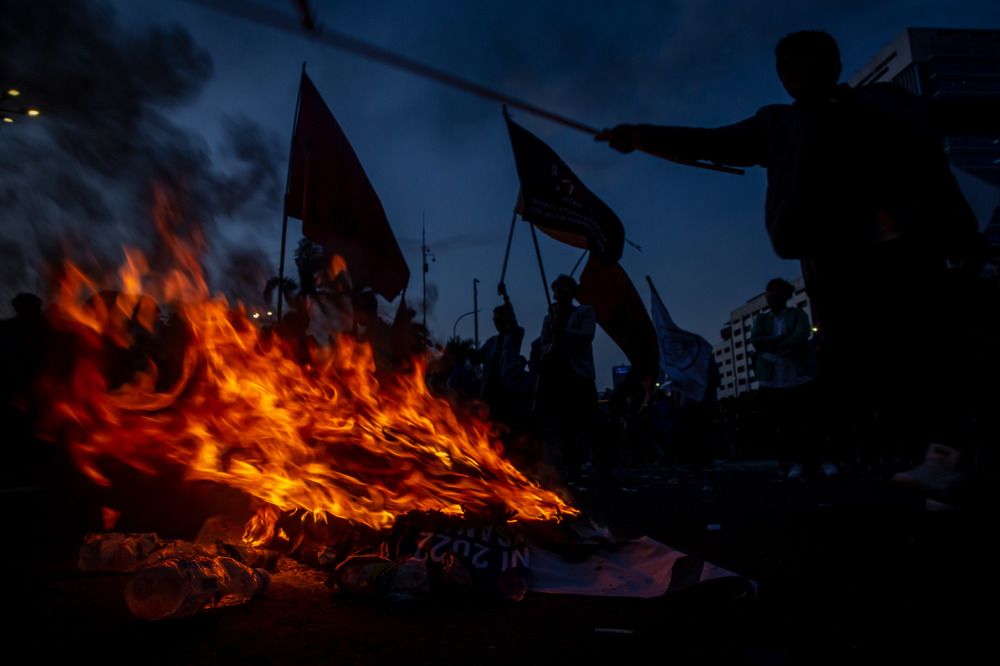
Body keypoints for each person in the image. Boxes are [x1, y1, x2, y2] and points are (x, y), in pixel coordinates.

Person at [597, 30, 978, 503]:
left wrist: (962, 241)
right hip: (843, 263)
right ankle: (938, 457)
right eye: (784, 67)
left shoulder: (886, 102)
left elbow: (951, 119)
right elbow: (713, 142)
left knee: (931, 351)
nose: (792, 74)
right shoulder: (780, 125)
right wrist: (640, 137)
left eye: (800, 62)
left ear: (831, 64)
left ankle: (948, 456)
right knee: (870, 364)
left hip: (907, 251)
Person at [750, 278, 833, 479]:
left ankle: (818, 461)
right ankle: (789, 462)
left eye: (776, 292)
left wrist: (776, 344)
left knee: (806, 422)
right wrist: (781, 339)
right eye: (769, 292)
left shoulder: (797, 315)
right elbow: (756, 340)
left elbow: (801, 335)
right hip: (771, 379)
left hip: (797, 376)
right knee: (780, 424)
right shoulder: (761, 320)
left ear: (785, 296)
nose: (771, 297)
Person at [536, 275, 597, 483]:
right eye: (557, 289)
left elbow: (587, 335)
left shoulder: (584, 312)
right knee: (563, 425)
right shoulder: (549, 318)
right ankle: (571, 466)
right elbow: (543, 343)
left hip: (579, 374)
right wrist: (551, 346)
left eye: (564, 288)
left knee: (587, 421)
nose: (559, 293)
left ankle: (593, 463)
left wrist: (564, 331)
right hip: (557, 375)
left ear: (572, 291)